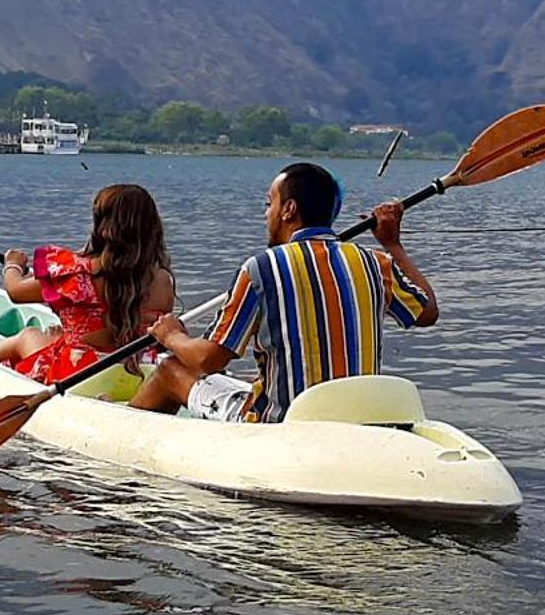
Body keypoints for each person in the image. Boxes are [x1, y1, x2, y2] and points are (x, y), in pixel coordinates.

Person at [131, 162, 437, 422]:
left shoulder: (260, 269)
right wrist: (393, 244)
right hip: (356, 417)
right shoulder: (377, 262)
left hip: (282, 422)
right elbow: (427, 313)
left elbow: (208, 360)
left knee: (170, 368)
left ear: (289, 209)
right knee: (246, 381)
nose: (267, 214)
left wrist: (170, 335)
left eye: (270, 203)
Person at [0, 183, 176, 385]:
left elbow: (16, 291)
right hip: (137, 375)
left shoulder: (78, 274)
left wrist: (12, 265)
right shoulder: (163, 281)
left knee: (28, 336)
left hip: (77, 376)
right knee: (53, 340)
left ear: (102, 226)